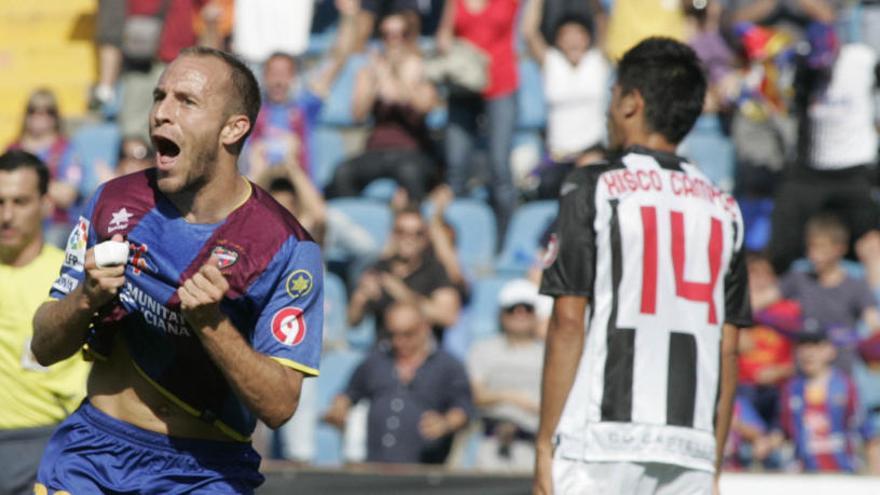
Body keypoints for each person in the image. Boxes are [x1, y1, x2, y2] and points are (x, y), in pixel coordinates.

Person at [29, 46, 324, 493]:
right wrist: (84, 299)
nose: (161, 114)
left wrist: (211, 325)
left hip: (203, 473)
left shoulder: (286, 247)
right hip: (93, 455)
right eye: (159, 96)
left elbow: (280, 405)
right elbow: (43, 346)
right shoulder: (113, 202)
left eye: (186, 101)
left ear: (233, 128)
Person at [533, 38, 751, 495]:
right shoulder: (725, 210)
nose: (608, 109)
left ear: (632, 102)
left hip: (600, 441)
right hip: (688, 447)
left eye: (613, 95)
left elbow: (569, 321)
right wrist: (710, 466)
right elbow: (728, 350)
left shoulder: (595, 187)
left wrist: (544, 443)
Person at [0, 151, 91, 495]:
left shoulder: (70, 281)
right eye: (0, 202)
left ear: (45, 204)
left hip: (46, 444)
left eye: (20, 202)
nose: (7, 216)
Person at [323, 301, 473, 464]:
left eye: (408, 334)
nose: (399, 341)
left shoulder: (448, 366)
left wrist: (445, 424)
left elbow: (464, 408)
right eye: (392, 334)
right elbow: (350, 393)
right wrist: (339, 408)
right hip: (375, 466)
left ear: (425, 327)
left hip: (426, 470)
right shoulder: (375, 361)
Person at [326, 10, 440, 202]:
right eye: (386, 34)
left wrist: (398, 78)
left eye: (401, 34)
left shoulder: (422, 68)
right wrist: (374, 82)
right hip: (376, 150)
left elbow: (424, 107)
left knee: (410, 173)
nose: (393, 41)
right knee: (342, 173)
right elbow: (357, 115)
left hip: (411, 151)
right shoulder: (370, 71)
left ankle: (413, 218)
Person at [243, 0, 360, 182]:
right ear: (263, 77)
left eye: (284, 74)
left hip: (299, 189)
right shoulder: (251, 109)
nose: (278, 81)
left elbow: (338, 59)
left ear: (294, 78)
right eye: (273, 73)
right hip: (260, 185)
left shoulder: (305, 105)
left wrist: (349, 17)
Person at [436, 0, 520, 239]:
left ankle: (505, 239)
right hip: (463, 86)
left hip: (500, 84)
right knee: (456, 166)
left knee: (499, 167)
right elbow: (444, 34)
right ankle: (458, 238)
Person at [780, 214, 880, 372]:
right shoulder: (799, 277)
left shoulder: (855, 285)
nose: (814, 255)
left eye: (821, 248)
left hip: (840, 372)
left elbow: (873, 321)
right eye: (811, 247)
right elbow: (764, 301)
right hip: (803, 371)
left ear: (840, 249)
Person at [347, 205, 462, 342]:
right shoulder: (379, 268)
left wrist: (402, 294)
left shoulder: (435, 270)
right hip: (385, 348)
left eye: (417, 233)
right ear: (392, 235)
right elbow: (353, 322)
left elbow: (448, 317)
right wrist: (361, 298)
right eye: (401, 232)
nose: (409, 238)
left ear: (425, 237)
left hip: (423, 350)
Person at [467, 279, 544, 472]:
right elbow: (476, 395)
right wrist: (512, 397)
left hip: (532, 445)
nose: (520, 314)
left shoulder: (548, 354)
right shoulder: (483, 349)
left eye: (527, 309)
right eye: (512, 309)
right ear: (502, 314)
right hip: (491, 443)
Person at [779, 326, 880, 472]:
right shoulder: (791, 389)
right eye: (802, 346)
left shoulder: (846, 386)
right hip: (804, 474)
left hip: (843, 472)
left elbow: (868, 432)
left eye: (815, 346)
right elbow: (783, 431)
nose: (808, 353)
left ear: (830, 351)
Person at [6, 89, 85, 247]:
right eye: (34, 110)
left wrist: (27, 186)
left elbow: (67, 195)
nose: (40, 116)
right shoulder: (13, 149)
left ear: (56, 116)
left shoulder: (67, 149)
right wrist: (48, 188)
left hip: (56, 224)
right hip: (17, 222)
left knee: (50, 239)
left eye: (48, 111)